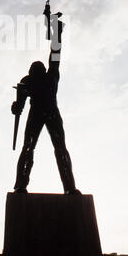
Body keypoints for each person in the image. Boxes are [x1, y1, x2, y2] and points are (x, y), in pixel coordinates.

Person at [11, 15, 80, 195]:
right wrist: (57, 32)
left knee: (34, 147)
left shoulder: (32, 81)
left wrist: (57, 32)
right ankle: (68, 187)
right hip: (47, 112)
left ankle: (21, 185)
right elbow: (19, 104)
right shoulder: (44, 78)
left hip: (43, 113)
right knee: (53, 148)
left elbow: (19, 104)